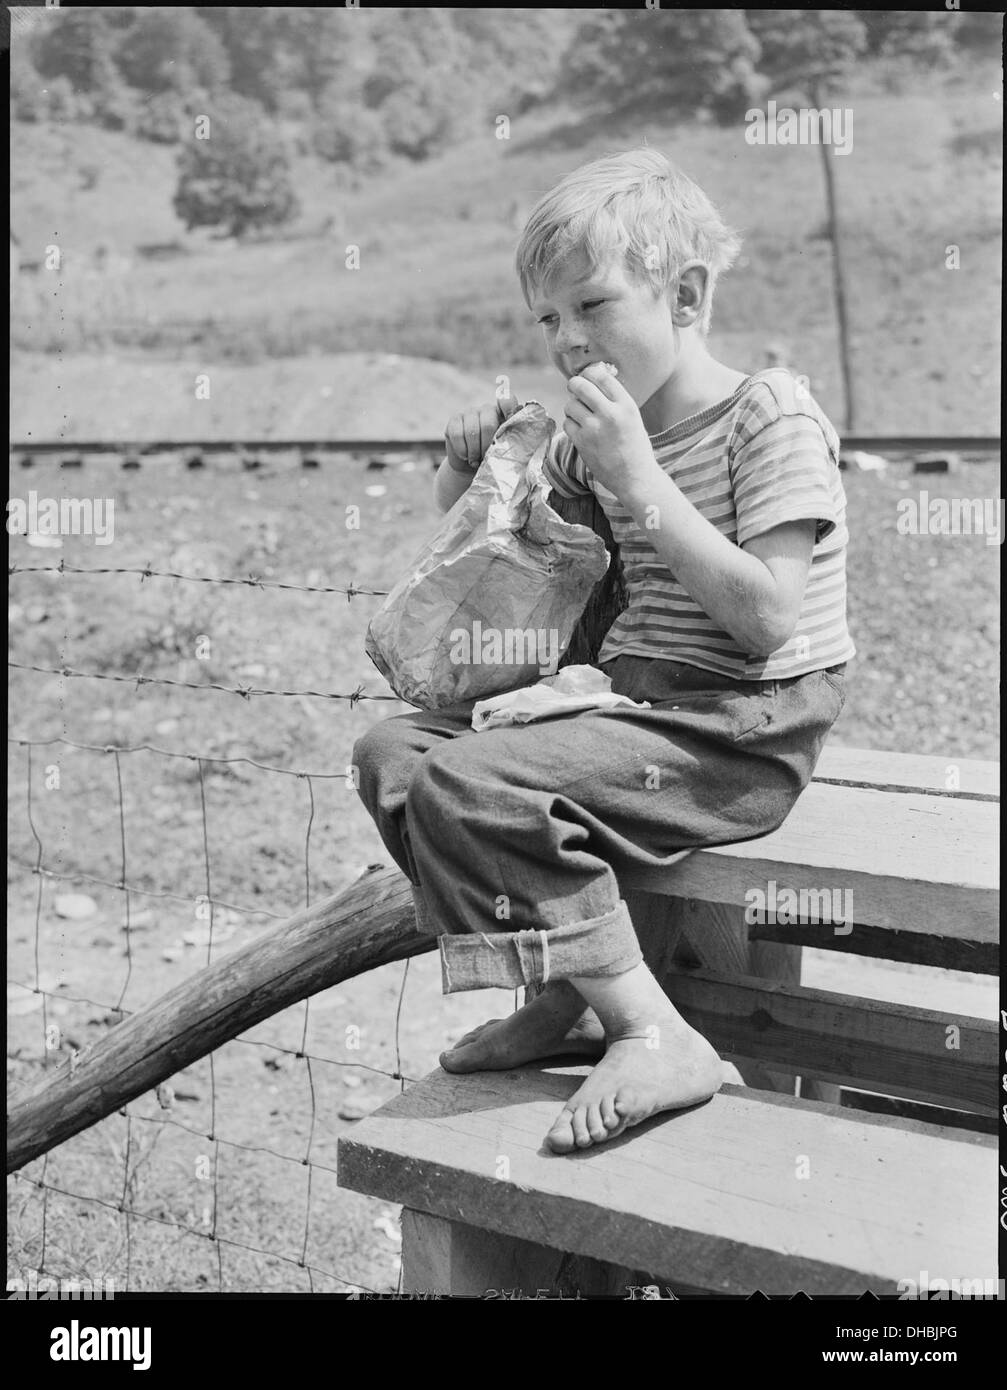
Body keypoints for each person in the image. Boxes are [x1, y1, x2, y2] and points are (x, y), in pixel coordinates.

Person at [352, 147, 854, 1154]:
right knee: (394, 754)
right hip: (627, 700)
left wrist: (639, 481)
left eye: (591, 306)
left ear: (686, 295)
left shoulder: (769, 416)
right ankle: (565, 994)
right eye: (547, 320)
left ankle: (651, 1031)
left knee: (470, 785)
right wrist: (464, 477)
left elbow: (766, 621)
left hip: (739, 726)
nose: (567, 341)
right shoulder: (587, 443)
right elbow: (527, 579)